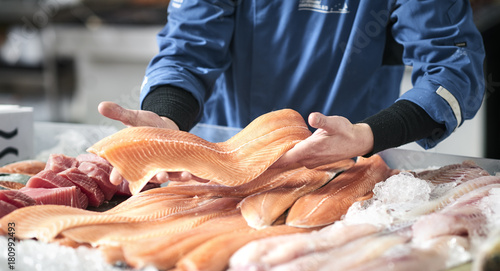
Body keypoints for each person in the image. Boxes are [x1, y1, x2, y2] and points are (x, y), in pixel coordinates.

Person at [99, 0, 485, 185]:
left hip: (350, 170)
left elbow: (452, 68)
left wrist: (367, 135)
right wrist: (165, 117)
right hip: (220, 174)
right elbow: (186, 52)